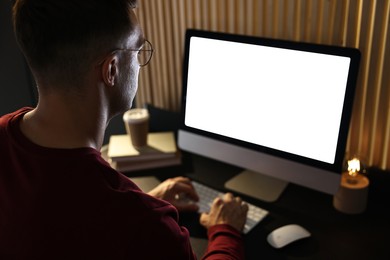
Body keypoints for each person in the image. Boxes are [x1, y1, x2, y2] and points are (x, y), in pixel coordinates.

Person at [0, 0, 249, 259]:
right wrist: (226, 229)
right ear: (111, 69)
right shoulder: (145, 225)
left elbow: (63, 220)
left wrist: (144, 201)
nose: (140, 61)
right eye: (138, 49)